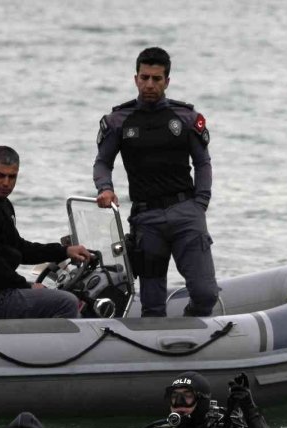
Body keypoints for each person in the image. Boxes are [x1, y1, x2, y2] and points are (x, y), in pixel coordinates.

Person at [93, 47, 219, 318]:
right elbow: (103, 162)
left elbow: (203, 162)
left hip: (187, 214)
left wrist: (201, 203)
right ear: (136, 78)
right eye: (144, 77)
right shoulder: (118, 121)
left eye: (157, 79)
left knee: (205, 294)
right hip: (146, 220)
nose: (150, 84)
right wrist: (105, 189)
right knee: (152, 305)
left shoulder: (185, 118)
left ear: (167, 81)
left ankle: (193, 335)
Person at [0, 146, 92, 319]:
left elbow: (20, 248)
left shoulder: (0, 204)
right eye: (0, 175)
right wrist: (25, 285)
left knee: (50, 293)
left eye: (12, 176)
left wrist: (64, 251)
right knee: (67, 302)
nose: (6, 183)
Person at [135, 371, 276, 428]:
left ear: (202, 402)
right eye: (175, 397)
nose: (179, 404)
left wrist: (249, 408)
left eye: (187, 397)